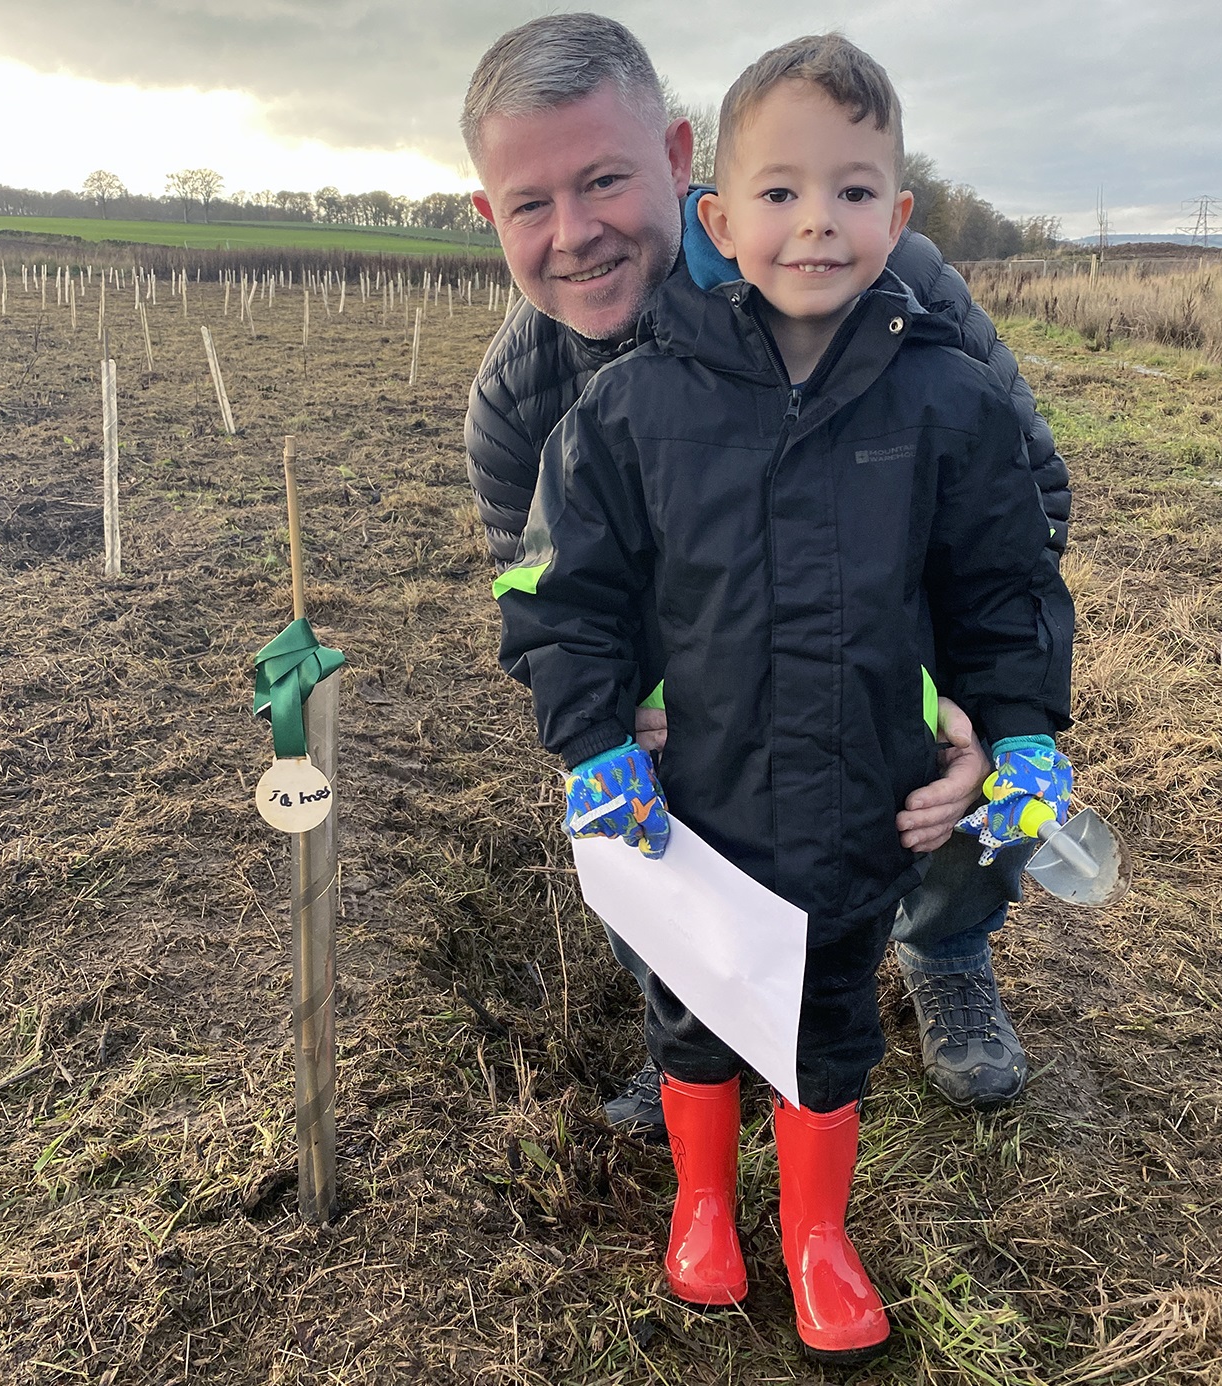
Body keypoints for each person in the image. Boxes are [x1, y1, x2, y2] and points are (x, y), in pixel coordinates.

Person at [491, 33, 1074, 1360]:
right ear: (718, 216)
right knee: (693, 1009)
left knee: (829, 1018)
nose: (819, 222)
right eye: (782, 193)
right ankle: (702, 1203)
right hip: (695, 803)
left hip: (865, 800)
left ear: (901, 213)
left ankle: (816, 1232)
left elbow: (1004, 585)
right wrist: (591, 735)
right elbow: (550, 589)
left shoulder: (950, 403)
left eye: (856, 192)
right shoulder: (633, 412)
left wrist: (1019, 727)